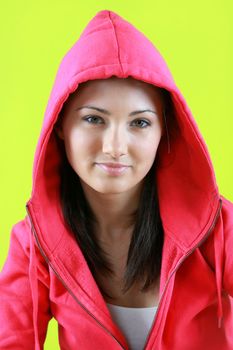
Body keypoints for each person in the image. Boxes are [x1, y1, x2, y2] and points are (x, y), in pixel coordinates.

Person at [0, 9, 233, 350]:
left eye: (139, 123)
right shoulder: (33, 242)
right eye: (94, 119)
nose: (115, 147)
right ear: (60, 125)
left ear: (164, 131)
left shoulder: (218, 227)